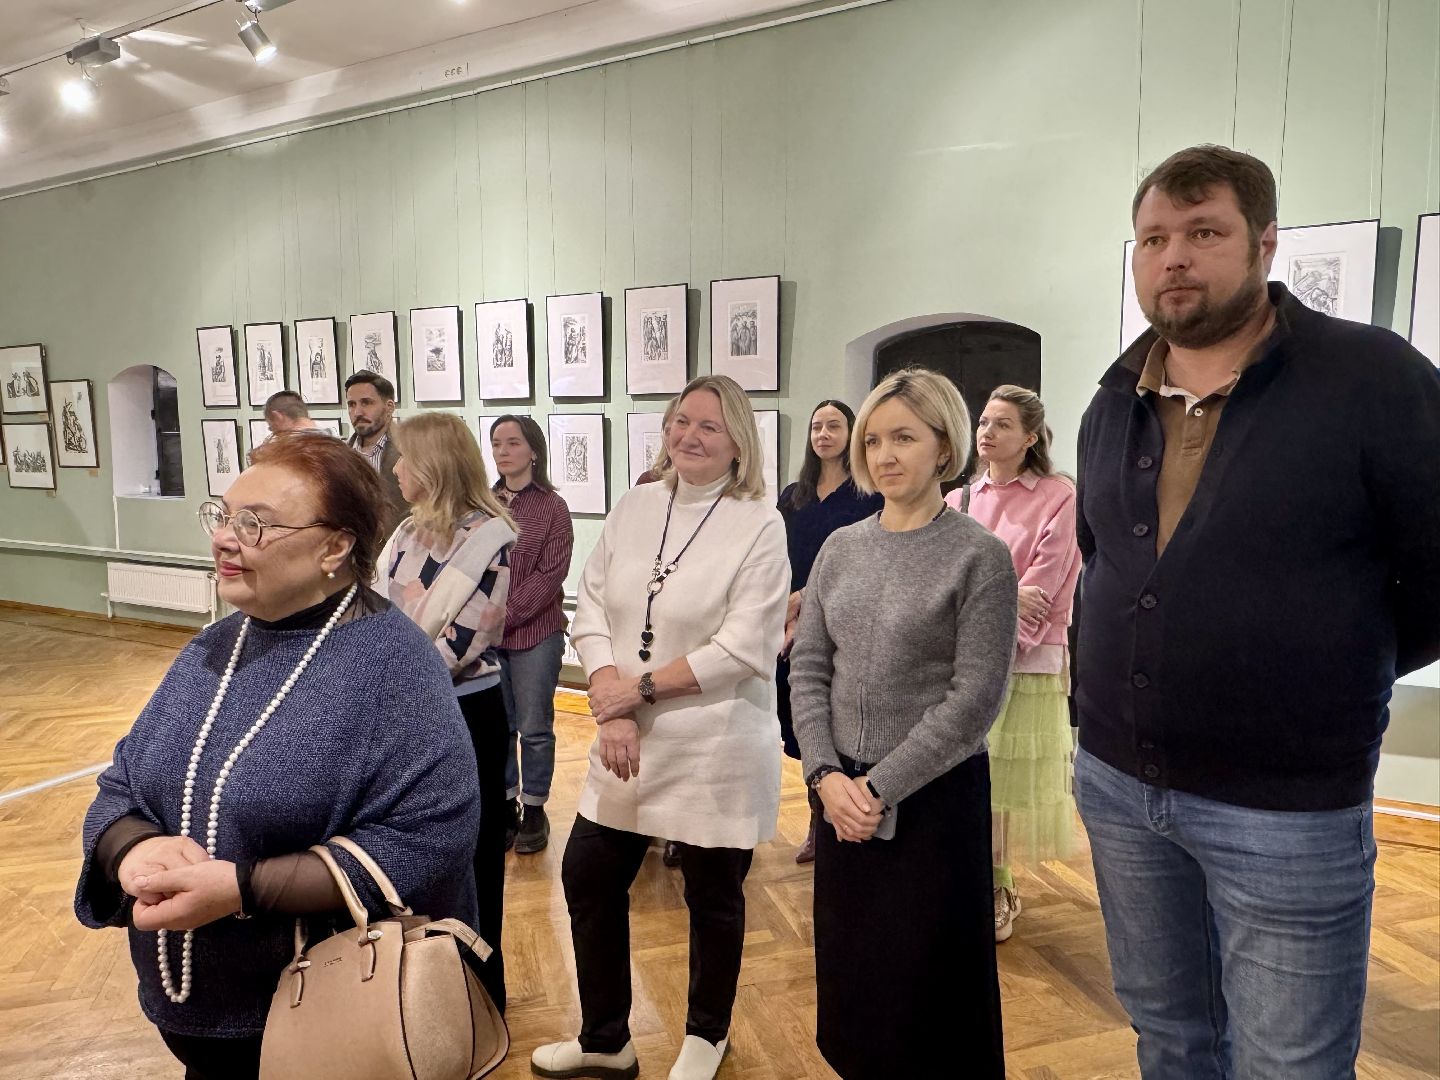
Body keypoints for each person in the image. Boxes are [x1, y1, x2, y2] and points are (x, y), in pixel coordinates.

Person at [1075, 144, 1440, 1078]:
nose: (1174, 258)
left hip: (1285, 805)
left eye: (1204, 233)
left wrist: (1328, 668)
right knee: (1169, 1036)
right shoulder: (1114, 400)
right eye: (1153, 238)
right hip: (1120, 785)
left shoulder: (1373, 379)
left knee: (1290, 1063)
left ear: (1265, 243)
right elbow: (1102, 563)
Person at [74, 435, 482, 1080]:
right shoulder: (213, 647)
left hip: (327, 1021)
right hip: (199, 1019)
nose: (226, 539)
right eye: (224, 515)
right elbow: (124, 781)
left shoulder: (394, 667)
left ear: (335, 546)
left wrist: (240, 889)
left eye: (255, 523)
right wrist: (130, 847)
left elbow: (430, 841)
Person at [531, 375, 789, 1080]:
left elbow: (744, 646)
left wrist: (630, 693)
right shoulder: (637, 503)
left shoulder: (760, 522)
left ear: (739, 439)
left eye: (708, 425)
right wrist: (609, 692)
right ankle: (605, 1038)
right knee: (587, 876)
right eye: (681, 422)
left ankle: (707, 1035)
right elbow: (590, 603)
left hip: (716, 739)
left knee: (711, 895)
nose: (690, 436)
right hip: (628, 738)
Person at [790, 367, 1017, 1080]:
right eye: (874, 440)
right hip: (840, 797)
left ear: (945, 448)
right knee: (856, 976)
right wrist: (825, 775)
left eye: (906, 438)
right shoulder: (842, 548)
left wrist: (878, 788)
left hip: (931, 800)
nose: (885, 455)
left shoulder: (978, 556)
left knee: (930, 989)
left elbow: (975, 698)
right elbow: (809, 669)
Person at [380, 411, 517, 1013]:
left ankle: (481, 991)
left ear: (432, 466)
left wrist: (381, 685)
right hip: (397, 711)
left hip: (463, 715)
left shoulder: (490, 538)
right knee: (408, 850)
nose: (395, 468)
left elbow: (463, 645)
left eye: (405, 458)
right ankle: (418, 990)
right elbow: (373, 613)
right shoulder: (405, 532)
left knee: (476, 850)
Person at [945, 385, 1080, 942]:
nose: (987, 432)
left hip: (1025, 659)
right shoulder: (957, 500)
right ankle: (967, 878)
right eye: (983, 421)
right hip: (965, 658)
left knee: (1000, 779)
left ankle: (999, 886)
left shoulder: (1058, 495)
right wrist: (998, 601)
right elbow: (946, 586)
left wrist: (989, 615)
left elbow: (1046, 586)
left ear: (1030, 437)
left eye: (1002, 424)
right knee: (967, 773)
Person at [776, 399, 881, 863]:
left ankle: (832, 818)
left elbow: (868, 562)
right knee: (801, 721)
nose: (823, 434)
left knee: (837, 717)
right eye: (816, 426)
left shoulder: (869, 494)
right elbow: (775, 556)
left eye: (834, 425)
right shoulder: (793, 493)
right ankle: (818, 810)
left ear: (851, 432)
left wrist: (805, 598)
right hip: (788, 623)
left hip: (844, 619)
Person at [490, 413, 574, 854]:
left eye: (513, 443)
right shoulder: (484, 503)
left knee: (534, 727)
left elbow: (550, 574)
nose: (504, 451)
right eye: (497, 443)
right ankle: (505, 805)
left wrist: (503, 617)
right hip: (488, 638)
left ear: (533, 450)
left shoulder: (553, 508)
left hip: (535, 633)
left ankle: (535, 806)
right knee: (499, 726)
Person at [344, 370, 407, 537]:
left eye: (366, 403)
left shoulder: (410, 451)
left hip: (398, 550)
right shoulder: (341, 455)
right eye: (352, 404)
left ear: (389, 407)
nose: (357, 412)